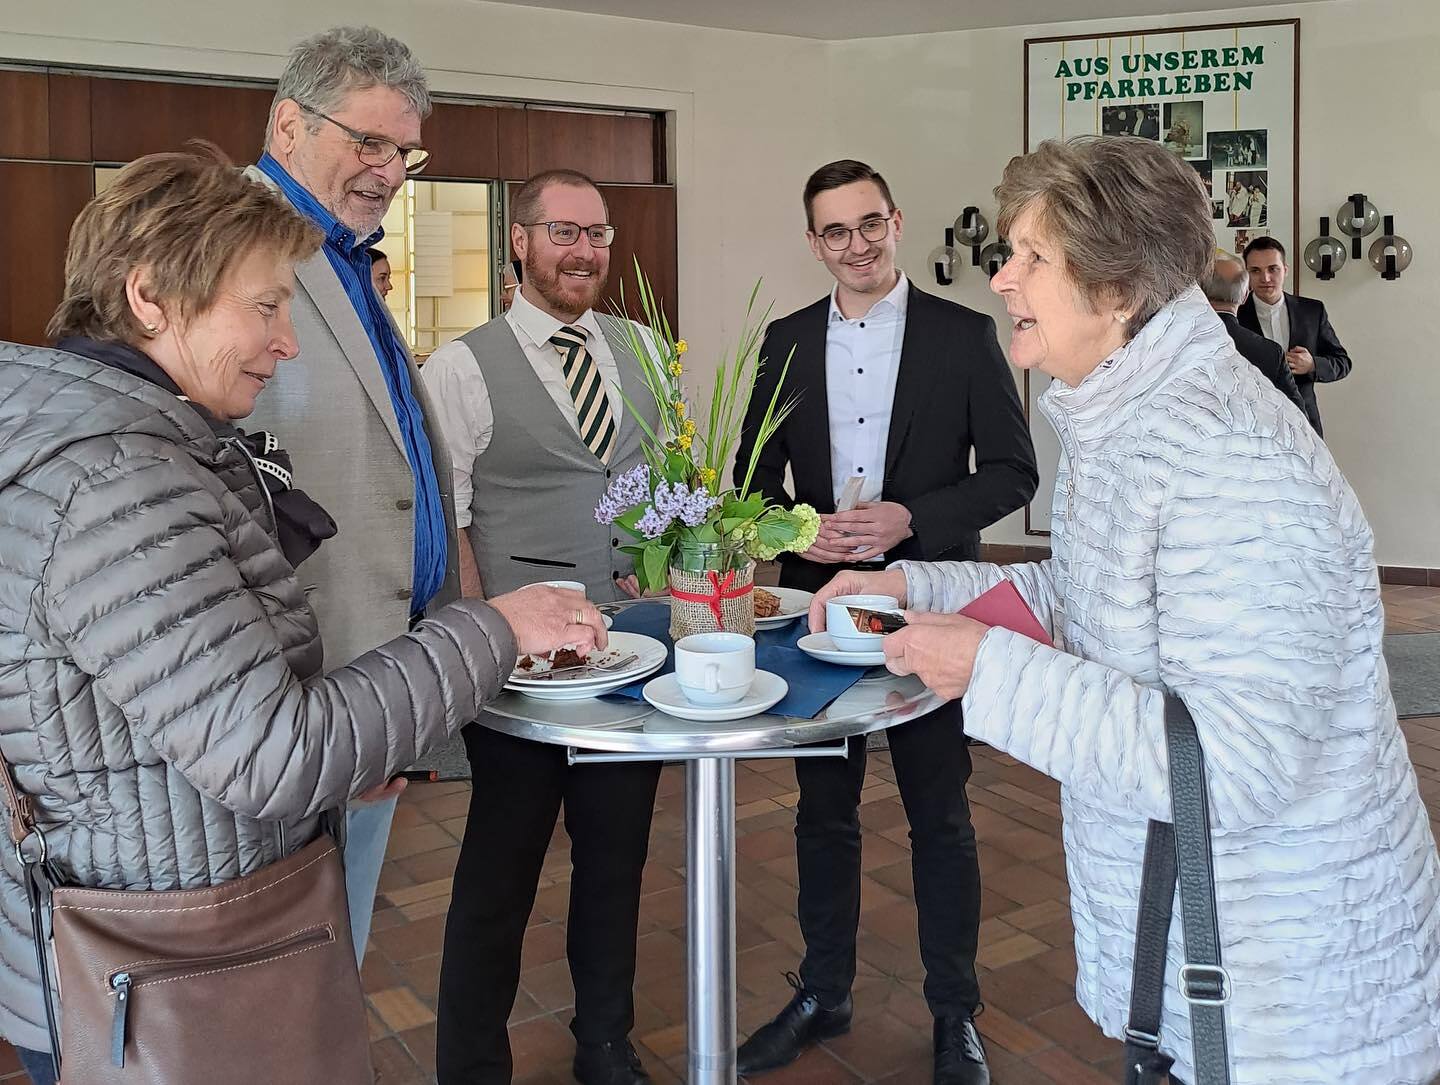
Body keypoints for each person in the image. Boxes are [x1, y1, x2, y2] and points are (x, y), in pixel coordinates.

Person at [810, 135, 1440, 1085]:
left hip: (1289, 999)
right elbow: (1093, 597)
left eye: (1031, 257)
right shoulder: (1130, 418)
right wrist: (912, 588)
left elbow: (1239, 765)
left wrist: (986, 670)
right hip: (1206, 960)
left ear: (1115, 288)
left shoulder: (1230, 454)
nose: (1001, 280)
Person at [0, 147, 608, 1085]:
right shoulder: (122, 485)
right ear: (150, 297)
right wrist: (496, 626)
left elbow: (191, 712)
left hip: (152, 946)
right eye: (265, 306)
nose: (286, 343)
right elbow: (270, 751)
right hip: (172, 980)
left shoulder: (114, 446)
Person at [732, 159, 1038, 1085]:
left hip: (929, 603)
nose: (856, 244)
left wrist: (913, 519)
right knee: (823, 814)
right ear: (814, 241)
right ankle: (824, 991)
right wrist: (797, 527)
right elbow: (750, 484)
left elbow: (1013, 472)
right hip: (817, 608)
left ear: (896, 222)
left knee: (939, 814)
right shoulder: (785, 340)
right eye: (836, 230)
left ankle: (955, 1014)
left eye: (870, 223)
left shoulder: (963, 333)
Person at [422, 169, 662, 1085]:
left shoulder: (647, 351)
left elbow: (661, 485)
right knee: (499, 875)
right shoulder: (461, 368)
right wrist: (483, 645)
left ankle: (605, 1043)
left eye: (597, 233)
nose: (584, 251)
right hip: (518, 671)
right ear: (519, 242)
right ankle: (471, 1064)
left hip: (629, 658)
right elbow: (450, 520)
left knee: (616, 861)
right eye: (563, 231)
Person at [242, 25, 451, 964]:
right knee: (276, 979)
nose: (391, 170)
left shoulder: (342, 253)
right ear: (290, 126)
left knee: (333, 954)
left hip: (371, 670)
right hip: (291, 694)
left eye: (404, 152)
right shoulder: (226, 242)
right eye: (369, 142)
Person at [1240, 236, 1352, 436]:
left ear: (1285, 270)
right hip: (1250, 425)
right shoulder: (1234, 316)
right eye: (1255, 270)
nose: (1265, 278)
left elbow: (1342, 362)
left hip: (1304, 424)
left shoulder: (1312, 311)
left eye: (1273, 269)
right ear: (1246, 273)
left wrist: (1313, 365)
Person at [1202, 252, 1307, 420]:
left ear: (1200, 293)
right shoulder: (1270, 353)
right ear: (1245, 296)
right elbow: (1297, 418)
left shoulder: (1174, 344)